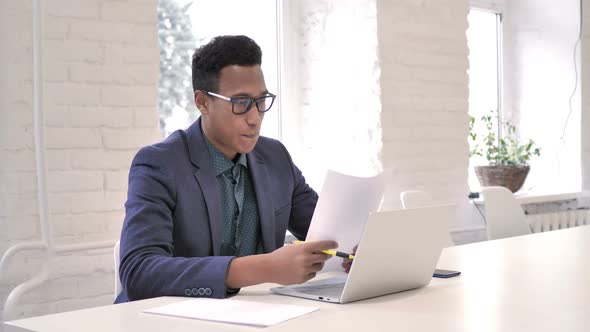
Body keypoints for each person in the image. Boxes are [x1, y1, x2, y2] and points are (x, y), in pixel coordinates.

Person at [115, 35, 338, 303]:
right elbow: (139, 272)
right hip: (169, 318)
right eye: (241, 103)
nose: (255, 118)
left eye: (261, 101)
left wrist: (362, 248)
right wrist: (264, 268)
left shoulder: (275, 156)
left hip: (255, 314)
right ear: (202, 102)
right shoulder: (159, 164)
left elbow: (326, 229)